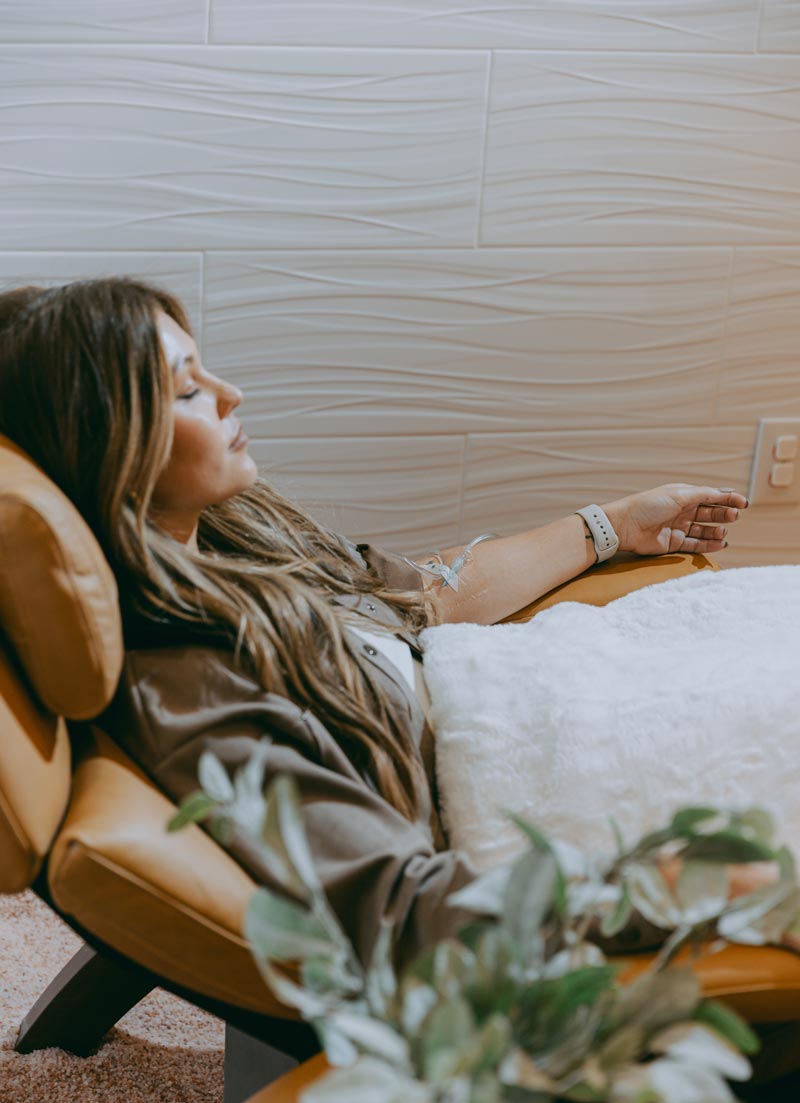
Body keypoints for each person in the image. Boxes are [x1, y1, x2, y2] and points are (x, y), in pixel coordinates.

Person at [0, 276, 764, 970]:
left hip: (553, 692)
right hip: (550, 781)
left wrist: (615, 524)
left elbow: (420, 598)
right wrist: (690, 881)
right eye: (187, 390)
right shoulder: (197, 683)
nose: (231, 393)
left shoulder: (233, 540)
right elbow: (405, 909)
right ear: (106, 442)